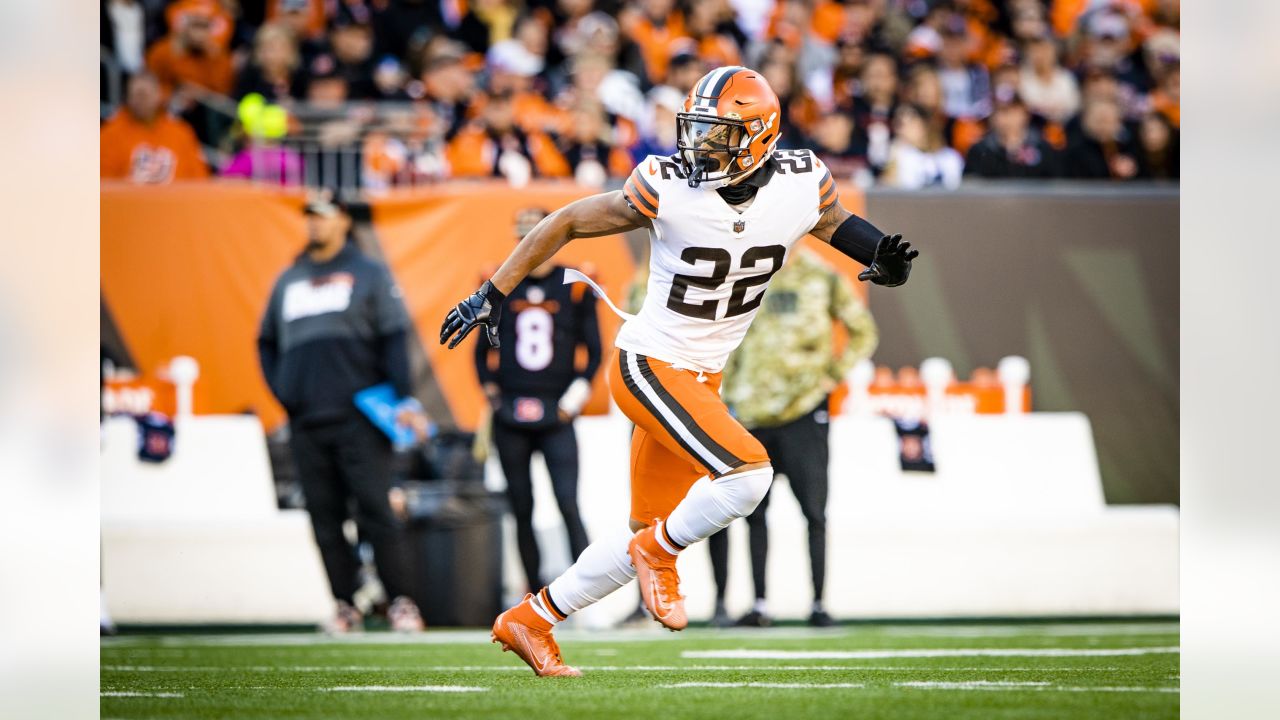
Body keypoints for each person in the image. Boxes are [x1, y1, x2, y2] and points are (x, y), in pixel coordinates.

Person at [440, 66, 918, 676]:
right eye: (695, 131)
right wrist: (494, 291)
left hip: (700, 376)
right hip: (651, 364)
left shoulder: (799, 184)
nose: (698, 146)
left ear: (760, 136)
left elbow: (831, 223)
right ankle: (661, 555)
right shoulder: (666, 186)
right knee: (748, 477)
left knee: (643, 528)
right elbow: (563, 222)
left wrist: (882, 259)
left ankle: (531, 619)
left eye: (716, 135)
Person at [258, 193, 428, 634]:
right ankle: (344, 603)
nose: (314, 225)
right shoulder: (288, 279)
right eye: (309, 217)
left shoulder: (369, 273)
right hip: (307, 419)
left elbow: (393, 337)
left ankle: (401, 602)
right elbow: (266, 342)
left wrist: (402, 400)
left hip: (361, 416)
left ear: (343, 221)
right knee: (324, 516)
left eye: (323, 217)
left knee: (376, 510)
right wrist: (287, 393)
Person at [718, 248, 879, 628]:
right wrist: (727, 396)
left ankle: (819, 603)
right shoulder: (746, 273)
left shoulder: (821, 276)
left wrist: (831, 376)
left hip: (804, 410)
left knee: (814, 512)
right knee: (753, 513)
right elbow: (730, 340)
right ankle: (760, 604)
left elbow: (863, 331)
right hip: (752, 411)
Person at [476, 208, 603, 594]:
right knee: (521, 508)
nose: (529, 247)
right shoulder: (498, 283)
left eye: (536, 237)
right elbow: (481, 355)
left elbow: (594, 353)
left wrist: (571, 402)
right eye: (524, 238)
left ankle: (586, 591)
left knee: (568, 501)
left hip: (557, 411)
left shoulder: (575, 285)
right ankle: (532, 594)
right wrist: (495, 398)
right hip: (511, 412)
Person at [100, 72, 209, 183]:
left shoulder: (181, 131)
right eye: (134, 95)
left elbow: (199, 178)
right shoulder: (110, 133)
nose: (139, 100)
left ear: (158, 95)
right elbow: (104, 183)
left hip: (175, 199)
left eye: (144, 94)